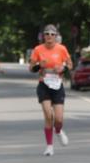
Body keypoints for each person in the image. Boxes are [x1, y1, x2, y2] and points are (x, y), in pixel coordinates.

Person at [28, 25, 73, 156]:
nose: (49, 36)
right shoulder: (38, 49)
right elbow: (31, 68)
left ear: (56, 36)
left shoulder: (62, 49)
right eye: (47, 33)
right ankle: (49, 146)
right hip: (44, 85)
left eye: (52, 34)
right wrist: (38, 66)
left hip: (57, 85)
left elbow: (70, 64)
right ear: (43, 36)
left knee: (58, 119)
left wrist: (63, 69)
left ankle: (58, 131)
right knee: (48, 115)